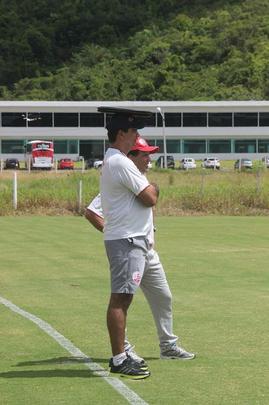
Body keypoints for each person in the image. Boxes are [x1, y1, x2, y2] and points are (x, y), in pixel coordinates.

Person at [86, 125, 195, 379]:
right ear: (131, 156)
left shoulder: (136, 178)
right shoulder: (121, 176)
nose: (149, 158)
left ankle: (168, 346)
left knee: (164, 296)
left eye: (149, 154)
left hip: (146, 249)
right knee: (123, 299)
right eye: (144, 154)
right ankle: (122, 351)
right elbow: (92, 211)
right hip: (129, 245)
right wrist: (112, 230)